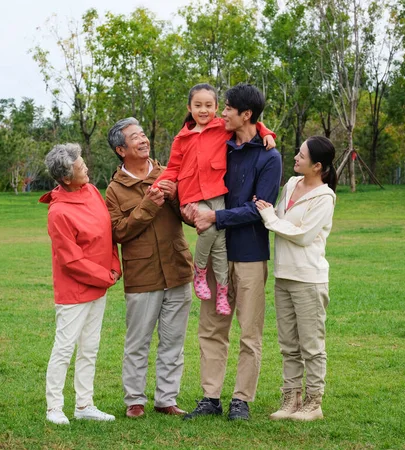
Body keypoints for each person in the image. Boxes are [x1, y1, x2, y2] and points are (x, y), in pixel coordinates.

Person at [182, 83, 282, 421]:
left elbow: (261, 210)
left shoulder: (270, 157)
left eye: (227, 108)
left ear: (246, 115)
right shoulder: (219, 144)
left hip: (251, 254)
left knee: (249, 331)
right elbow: (192, 158)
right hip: (216, 254)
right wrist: (193, 208)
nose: (221, 113)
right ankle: (210, 397)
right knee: (211, 327)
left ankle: (241, 399)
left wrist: (216, 216)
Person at [154, 83, 276, 316]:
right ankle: (198, 270)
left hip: (216, 193)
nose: (203, 110)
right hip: (192, 197)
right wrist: (159, 185)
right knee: (210, 232)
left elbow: (252, 123)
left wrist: (267, 133)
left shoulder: (222, 128)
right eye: (198, 105)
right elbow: (173, 168)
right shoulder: (182, 138)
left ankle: (222, 290)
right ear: (189, 107)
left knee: (220, 243)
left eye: (209, 105)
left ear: (217, 107)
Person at [105, 117, 194, 418]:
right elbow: (118, 232)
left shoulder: (169, 173)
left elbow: (187, 213)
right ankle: (135, 400)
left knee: (173, 340)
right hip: (142, 275)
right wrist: (149, 205)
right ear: (121, 149)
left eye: (143, 134)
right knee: (138, 341)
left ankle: (166, 399)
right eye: (135, 137)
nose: (143, 140)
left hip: (178, 268)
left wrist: (175, 197)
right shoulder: (114, 191)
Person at [255, 136, 337, 421]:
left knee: (311, 345)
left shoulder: (325, 197)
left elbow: (303, 235)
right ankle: (291, 399)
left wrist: (270, 219)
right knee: (288, 344)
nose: (295, 158)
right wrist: (270, 214)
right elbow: (280, 217)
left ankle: (313, 404)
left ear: (317, 166)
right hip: (284, 276)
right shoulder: (291, 184)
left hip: (309, 280)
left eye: (301, 156)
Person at [40, 143, 121, 425]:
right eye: (79, 166)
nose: (85, 167)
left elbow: (107, 232)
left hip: (100, 285)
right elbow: (71, 261)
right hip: (74, 292)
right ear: (65, 177)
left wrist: (114, 265)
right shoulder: (58, 212)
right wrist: (105, 276)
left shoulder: (91, 191)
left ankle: (84, 404)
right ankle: (54, 408)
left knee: (90, 347)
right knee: (65, 348)